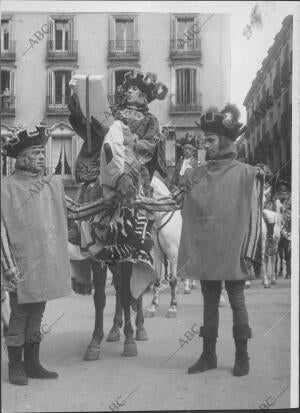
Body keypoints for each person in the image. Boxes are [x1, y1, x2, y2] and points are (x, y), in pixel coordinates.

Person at [1, 125, 110, 385]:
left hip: (43, 264)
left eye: (42, 152)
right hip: (18, 265)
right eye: (36, 152)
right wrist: (7, 265)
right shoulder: (5, 187)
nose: (41, 156)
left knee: (37, 314)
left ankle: (33, 363)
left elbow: (75, 210)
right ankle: (15, 366)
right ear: (22, 157)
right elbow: (1, 230)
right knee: (18, 315)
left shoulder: (52, 185)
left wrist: (108, 202)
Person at [178, 104, 263, 377]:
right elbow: (189, 201)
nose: (206, 144)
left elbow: (252, 212)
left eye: (211, 140)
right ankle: (208, 355)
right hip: (208, 251)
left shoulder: (245, 173)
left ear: (225, 141)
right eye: (205, 139)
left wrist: (248, 251)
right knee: (209, 302)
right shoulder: (198, 174)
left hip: (233, 251)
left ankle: (243, 357)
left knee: (237, 301)